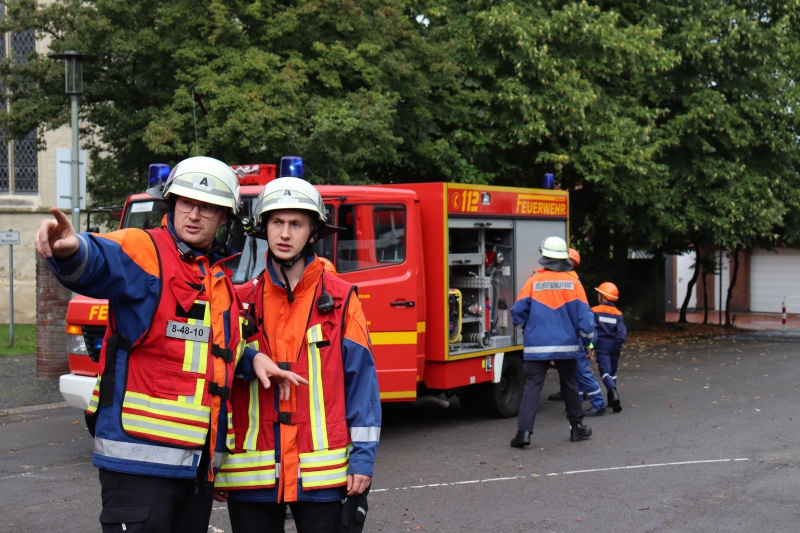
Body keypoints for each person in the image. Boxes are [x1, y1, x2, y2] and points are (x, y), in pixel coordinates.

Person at [34, 156, 306, 533]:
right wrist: (68, 249)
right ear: (171, 203)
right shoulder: (145, 249)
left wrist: (252, 358)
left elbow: (214, 347)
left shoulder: (216, 277)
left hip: (194, 468)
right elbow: (98, 259)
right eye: (186, 202)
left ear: (225, 217)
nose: (194, 214)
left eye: (207, 208)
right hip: (138, 464)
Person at [214, 175, 382, 533]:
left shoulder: (340, 299)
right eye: (277, 222)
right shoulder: (239, 300)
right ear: (264, 228)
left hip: (321, 476)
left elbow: (362, 384)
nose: (285, 233)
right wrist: (216, 460)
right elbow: (213, 374)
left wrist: (363, 462)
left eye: (295, 224)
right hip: (251, 474)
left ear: (313, 232)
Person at [510, 236, 596, 448]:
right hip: (567, 344)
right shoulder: (574, 284)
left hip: (536, 345)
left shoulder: (533, 281)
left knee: (532, 386)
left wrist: (527, 324)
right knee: (569, 384)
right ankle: (577, 429)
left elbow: (517, 313)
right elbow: (585, 320)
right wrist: (588, 343)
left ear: (545, 257)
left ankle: (524, 434)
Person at [548, 248, 606, 416]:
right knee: (577, 373)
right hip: (576, 336)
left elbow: (582, 316)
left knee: (582, 372)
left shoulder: (570, 281)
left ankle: (598, 404)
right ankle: (577, 404)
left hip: (575, 337)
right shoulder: (572, 281)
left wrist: (587, 342)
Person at [592, 282, 628, 413]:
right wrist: (617, 344)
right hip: (615, 347)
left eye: (599, 294)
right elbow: (622, 333)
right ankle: (611, 401)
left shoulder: (594, 311)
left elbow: (590, 330)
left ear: (603, 296)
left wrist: (590, 346)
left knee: (605, 372)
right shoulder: (618, 313)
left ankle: (613, 393)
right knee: (613, 373)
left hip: (602, 346)